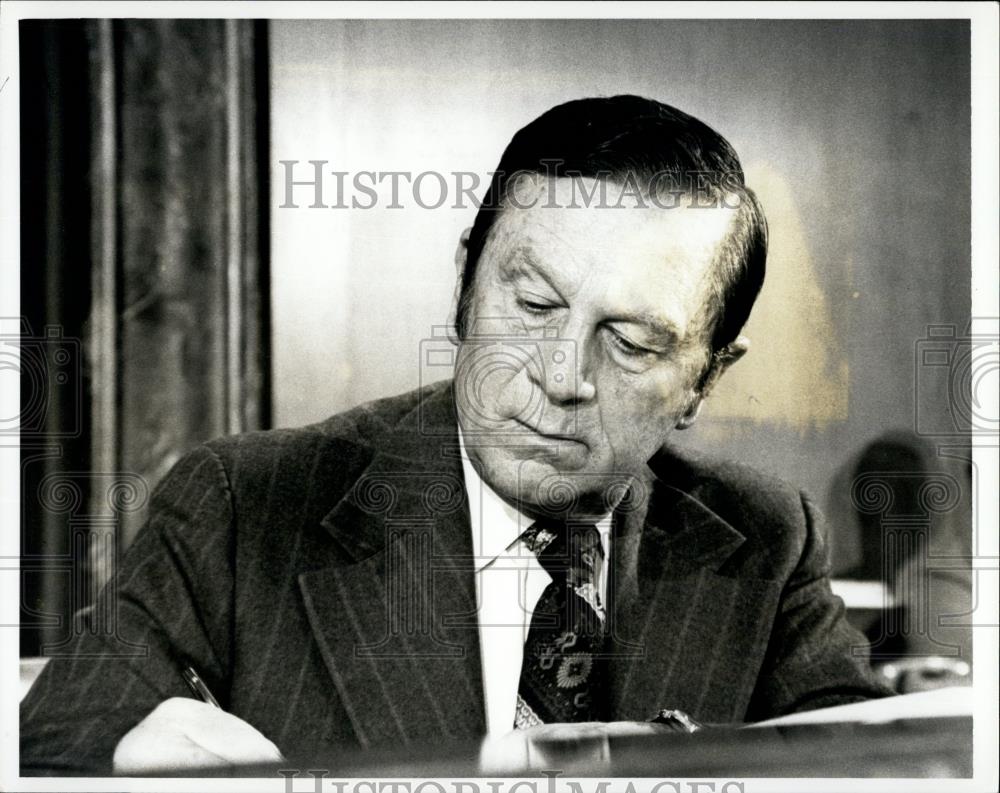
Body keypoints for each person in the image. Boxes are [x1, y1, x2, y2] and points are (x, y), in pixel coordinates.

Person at [20, 95, 890, 775]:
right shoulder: (242, 508)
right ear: (464, 290)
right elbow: (50, 760)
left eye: (631, 342)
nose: (560, 375)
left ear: (704, 379)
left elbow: (880, 771)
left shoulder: (766, 543)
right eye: (534, 304)